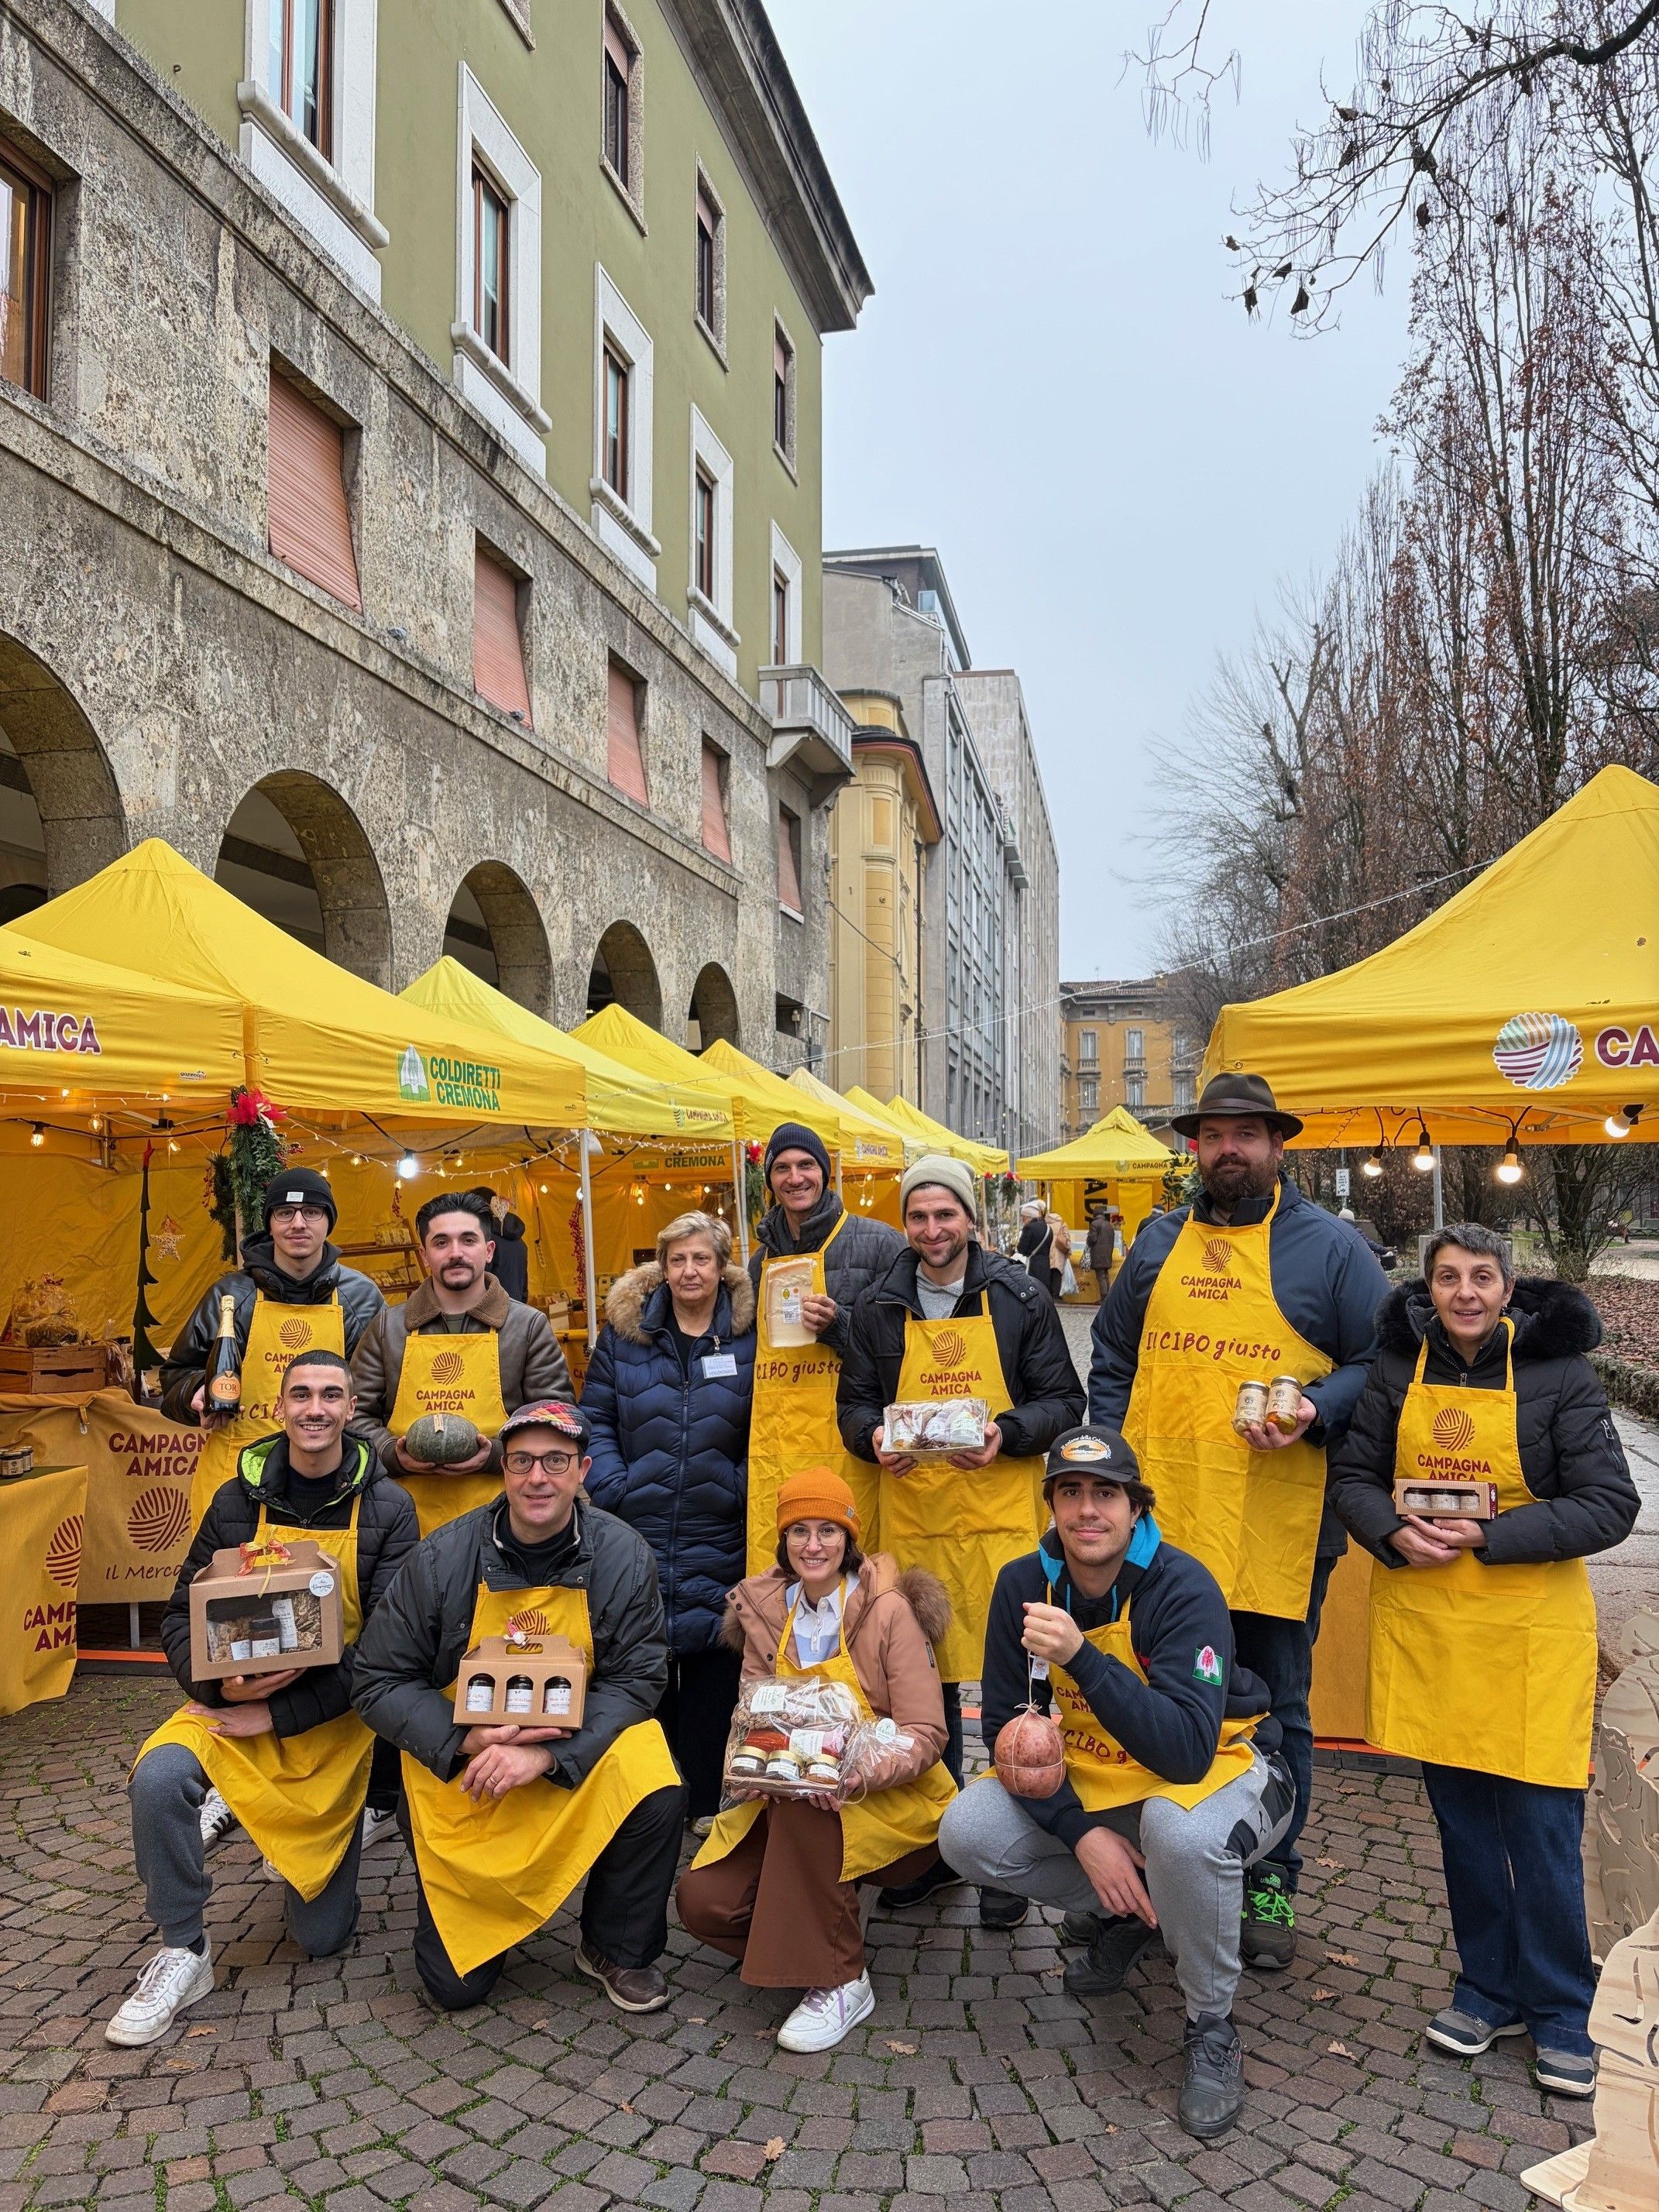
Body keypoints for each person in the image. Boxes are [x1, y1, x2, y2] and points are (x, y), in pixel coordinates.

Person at [1328, 1223, 1638, 2097]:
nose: (1466, 1293)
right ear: (1427, 1290)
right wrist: (1388, 1529)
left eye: (1483, 1277)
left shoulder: (1559, 1374)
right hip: (1433, 1630)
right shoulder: (1397, 1370)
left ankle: (1561, 2010)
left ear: (1509, 1289)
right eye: (1449, 1278)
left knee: (1540, 1835)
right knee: (1463, 1830)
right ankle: (1487, 1987)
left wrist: (1491, 1535)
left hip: (1531, 1637)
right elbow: (1352, 1475)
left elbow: (1610, 1503)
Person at [1088, 1072, 1388, 1966]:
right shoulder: (1154, 1244)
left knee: (1274, 1703)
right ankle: (1139, 1871)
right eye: (1214, 1135)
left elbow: (1380, 1359)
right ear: (1195, 1148)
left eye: (1246, 1135)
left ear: (1277, 1146)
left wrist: (1318, 1407)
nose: (1229, 1149)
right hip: (1160, 1527)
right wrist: (1107, 1460)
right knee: (1143, 1694)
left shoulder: (1331, 1249)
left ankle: (1270, 1875)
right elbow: (1112, 1354)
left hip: (1275, 1521)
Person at [938, 1425, 1293, 2141]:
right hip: (1103, 1782)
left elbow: (1188, 1753)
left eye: (1107, 1493)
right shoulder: (1023, 1584)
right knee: (966, 1831)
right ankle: (1134, 1910)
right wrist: (1084, 1835)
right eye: (1070, 1493)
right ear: (1052, 1506)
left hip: (1225, 1774)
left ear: (1136, 1507)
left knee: (1180, 1835)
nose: (1087, 1510)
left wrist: (1083, 1657)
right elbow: (1011, 1731)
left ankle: (1211, 2024)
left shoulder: (1183, 1585)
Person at [106, 1351, 417, 2047]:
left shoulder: (390, 1507)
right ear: (278, 1408)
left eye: (330, 1395)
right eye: (300, 1394)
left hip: (333, 1726)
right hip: (232, 1701)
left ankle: (298, 1841)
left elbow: (388, 1655)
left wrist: (272, 1713)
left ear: (349, 1409)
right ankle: (184, 1949)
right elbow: (181, 1614)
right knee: (158, 1779)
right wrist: (221, 1686)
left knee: (321, 1939)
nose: (314, 1408)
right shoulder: (236, 1500)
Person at [352, 1400, 685, 2013]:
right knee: (454, 1992)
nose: (539, 1477)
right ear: (502, 1470)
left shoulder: (623, 1555)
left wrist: (552, 1756)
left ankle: (615, 1946)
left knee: (654, 1773)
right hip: (469, 1771)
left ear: (582, 1470)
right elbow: (376, 1678)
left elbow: (639, 1677)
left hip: (564, 1752)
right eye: (523, 1461)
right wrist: (463, 1741)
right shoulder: (441, 1558)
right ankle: (479, 1915)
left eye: (556, 1461)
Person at [837, 1152, 1084, 1923]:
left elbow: (1063, 1402)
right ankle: (934, 1848)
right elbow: (852, 1407)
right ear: (905, 1223)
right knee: (921, 1691)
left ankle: (1007, 1862)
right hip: (911, 1525)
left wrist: (1007, 1435)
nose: (932, 1228)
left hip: (996, 1525)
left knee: (1011, 1691)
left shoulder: (1017, 1295)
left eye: (945, 1214)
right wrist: (872, 1438)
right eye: (918, 1215)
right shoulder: (879, 1305)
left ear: (970, 1220)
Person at [677, 1468, 955, 2050]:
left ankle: (842, 1979)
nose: (813, 1545)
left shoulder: (888, 1611)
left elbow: (927, 1732)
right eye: (799, 1530)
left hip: (887, 1799)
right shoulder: (765, 1609)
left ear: (849, 1538)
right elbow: (752, 1714)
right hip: (787, 1797)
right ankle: (825, 1916)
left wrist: (855, 1773)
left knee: (812, 1802)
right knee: (704, 1904)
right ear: (782, 1541)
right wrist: (751, 1766)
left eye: (828, 1530)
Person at [581, 1211, 756, 1829]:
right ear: (662, 1266)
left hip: (720, 1525)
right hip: (638, 1524)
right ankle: (655, 1801)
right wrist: (610, 1483)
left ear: (722, 1266)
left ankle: (707, 1800)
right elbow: (594, 1416)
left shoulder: (746, 1337)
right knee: (644, 1667)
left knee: (714, 1665)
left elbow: (769, 1420)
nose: (689, 1272)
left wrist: (738, 1485)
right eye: (677, 1260)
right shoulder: (626, 1337)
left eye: (701, 1259)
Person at [166, 1168, 386, 1534]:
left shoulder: (360, 1298)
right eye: (285, 1213)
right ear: (269, 1224)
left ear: (328, 1222)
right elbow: (175, 1375)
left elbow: (379, 1393)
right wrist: (194, 1393)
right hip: (233, 1481)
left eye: (312, 1212)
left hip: (331, 1479)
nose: (298, 1223)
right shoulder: (230, 1296)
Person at [351, 1190, 568, 1537]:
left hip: (504, 1515)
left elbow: (554, 1418)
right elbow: (354, 1416)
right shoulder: (387, 1327)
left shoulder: (527, 1326)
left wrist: (495, 1455)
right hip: (403, 1519)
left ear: (489, 1250)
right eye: (441, 1242)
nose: (456, 1253)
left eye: (468, 1240)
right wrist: (393, 1455)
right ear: (424, 1254)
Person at [745, 1121, 905, 1568]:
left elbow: (904, 1342)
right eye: (782, 1168)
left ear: (825, 1173)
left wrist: (840, 1325)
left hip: (851, 1439)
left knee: (855, 1563)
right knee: (787, 1567)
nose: (795, 1178)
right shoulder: (761, 1262)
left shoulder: (880, 1244)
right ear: (770, 1181)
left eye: (806, 1165)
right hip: (779, 1442)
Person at [470, 1187, 530, 1304]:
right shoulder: (520, 1242)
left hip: (491, 1311)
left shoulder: (487, 1240)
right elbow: (524, 1287)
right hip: (516, 1309)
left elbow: (480, 1281)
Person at [1018, 1199, 1057, 1297]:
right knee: (1044, 1291)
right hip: (1045, 1265)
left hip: (1032, 1266)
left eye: (1023, 1216)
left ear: (1028, 1217)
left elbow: (1021, 1249)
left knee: (1033, 1291)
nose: (1022, 1219)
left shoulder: (1028, 1228)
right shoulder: (1048, 1228)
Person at [1085, 1206, 1115, 1287]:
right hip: (1107, 1255)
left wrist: (1088, 1238)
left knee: (1101, 1277)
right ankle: (1107, 1298)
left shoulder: (1094, 1224)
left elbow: (1092, 1239)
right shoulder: (1109, 1225)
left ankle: (1104, 1298)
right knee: (1105, 1276)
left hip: (1098, 1255)